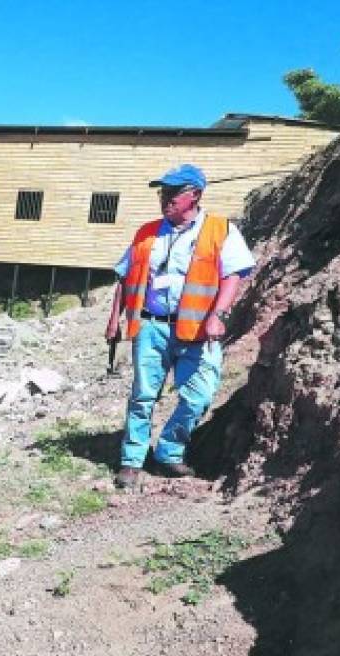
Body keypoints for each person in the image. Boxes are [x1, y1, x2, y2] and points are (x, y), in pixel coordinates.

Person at [105, 164, 255, 490]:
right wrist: (113, 318)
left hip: (198, 331)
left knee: (198, 396)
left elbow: (234, 275)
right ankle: (131, 461)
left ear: (195, 195)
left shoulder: (220, 230)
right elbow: (124, 277)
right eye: (163, 193)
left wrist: (219, 315)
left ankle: (169, 451)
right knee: (143, 396)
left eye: (173, 193)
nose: (166, 199)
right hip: (151, 327)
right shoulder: (146, 233)